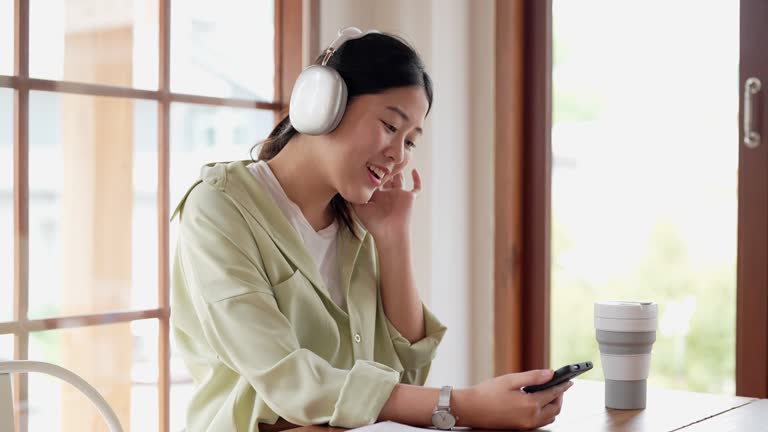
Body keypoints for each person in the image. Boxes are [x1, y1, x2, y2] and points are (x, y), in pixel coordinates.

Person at [170, 27, 571, 432]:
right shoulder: (218, 208)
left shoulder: (357, 220)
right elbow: (289, 381)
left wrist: (394, 237)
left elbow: (406, 380)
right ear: (324, 104)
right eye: (391, 127)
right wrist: (461, 405)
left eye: (411, 141)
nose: (398, 156)